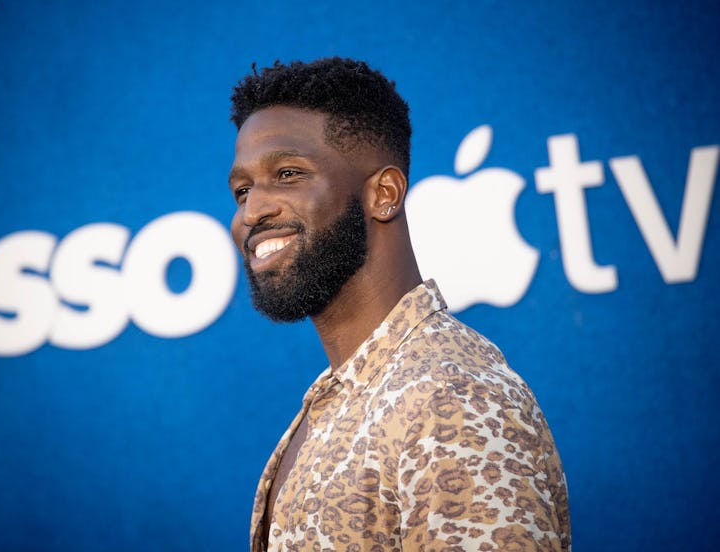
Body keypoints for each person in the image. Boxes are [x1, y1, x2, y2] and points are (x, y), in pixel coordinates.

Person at [227, 57, 571, 552]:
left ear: (384, 194)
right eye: (242, 190)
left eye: (287, 173)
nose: (252, 211)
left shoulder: (451, 398)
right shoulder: (336, 400)